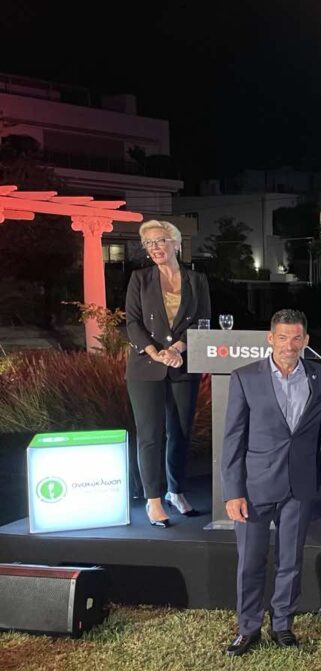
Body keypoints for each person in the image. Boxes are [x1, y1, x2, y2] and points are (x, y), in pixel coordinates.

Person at [221, 309, 321, 656]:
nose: (289, 345)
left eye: (296, 338)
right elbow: (232, 439)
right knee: (250, 562)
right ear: (270, 338)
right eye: (282, 337)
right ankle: (247, 628)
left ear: (305, 340)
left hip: (300, 485)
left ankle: (282, 624)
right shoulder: (245, 377)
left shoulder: (319, 376)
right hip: (255, 487)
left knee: (290, 561)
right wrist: (233, 491)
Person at [124, 219, 211, 528]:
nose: (155, 247)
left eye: (160, 240)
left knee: (180, 432)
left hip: (182, 364)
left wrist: (177, 349)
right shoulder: (140, 279)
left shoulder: (197, 280)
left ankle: (176, 491)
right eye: (149, 243)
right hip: (146, 366)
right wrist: (155, 352)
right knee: (150, 435)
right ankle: (153, 500)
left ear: (175, 243)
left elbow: (203, 320)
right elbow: (132, 322)